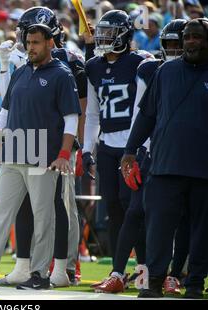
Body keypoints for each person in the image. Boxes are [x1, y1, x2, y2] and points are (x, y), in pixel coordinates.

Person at [0, 23, 81, 290]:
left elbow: (71, 119)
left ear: (49, 44)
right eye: (28, 42)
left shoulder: (62, 74)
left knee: (43, 216)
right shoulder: (20, 72)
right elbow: (5, 112)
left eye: (36, 42)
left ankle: (40, 274)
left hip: (43, 157)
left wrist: (63, 154)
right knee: (1, 214)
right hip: (13, 154)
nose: (30, 47)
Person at [91, 19, 188, 294]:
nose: (174, 49)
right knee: (134, 211)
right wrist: (134, 150)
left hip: (188, 154)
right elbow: (140, 113)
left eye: (178, 44)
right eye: (169, 44)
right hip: (152, 151)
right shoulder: (150, 68)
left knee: (185, 217)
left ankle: (174, 273)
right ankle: (121, 273)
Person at [121, 18, 208, 299]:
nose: (191, 42)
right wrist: (130, 150)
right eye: (188, 37)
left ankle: (195, 284)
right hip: (164, 166)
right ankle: (154, 283)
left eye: (197, 37)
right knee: (158, 229)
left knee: (201, 233)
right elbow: (146, 115)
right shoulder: (165, 71)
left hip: (204, 170)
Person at [82, 10, 152, 262]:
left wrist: (140, 146)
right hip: (108, 145)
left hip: (132, 145)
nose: (103, 38)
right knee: (112, 206)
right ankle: (116, 269)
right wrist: (87, 149)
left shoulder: (141, 62)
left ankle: (144, 266)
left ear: (124, 34)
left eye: (109, 33)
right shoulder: (93, 67)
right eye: (101, 33)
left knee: (131, 206)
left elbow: (147, 110)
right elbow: (92, 114)